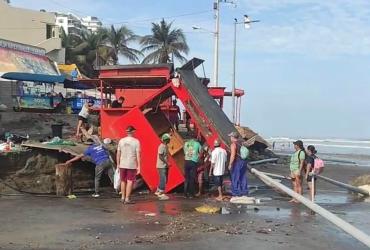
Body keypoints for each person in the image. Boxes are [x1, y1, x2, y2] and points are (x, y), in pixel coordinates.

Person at [117, 125, 141, 204]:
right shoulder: (136, 141)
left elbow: (118, 153)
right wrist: (139, 166)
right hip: (131, 164)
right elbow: (138, 155)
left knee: (123, 180)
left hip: (122, 163)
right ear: (133, 131)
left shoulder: (121, 141)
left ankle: (122, 197)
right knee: (130, 181)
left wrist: (118, 164)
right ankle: (127, 199)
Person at [228, 131, 249, 197]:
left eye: (231, 137)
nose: (230, 138)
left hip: (237, 162)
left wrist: (230, 164)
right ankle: (244, 191)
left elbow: (233, 155)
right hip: (244, 161)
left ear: (233, 137)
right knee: (243, 176)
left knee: (235, 177)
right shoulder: (242, 143)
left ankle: (236, 192)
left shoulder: (233, 144)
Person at [183, 131, 202, 198]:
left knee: (186, 178)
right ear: (194, 137)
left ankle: (185, 194)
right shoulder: (197, 144)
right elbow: (201, 152)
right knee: (192, 178)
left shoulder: (185, 144)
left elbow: (185, 152)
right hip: (193, 162)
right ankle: (191, 194)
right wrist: (198, 159)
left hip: (186, 161)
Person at [155, 133, 171, 199]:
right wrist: (167, 163)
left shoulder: (166, 146)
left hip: (164, 166)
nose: (170, 140)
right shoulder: (161, 146)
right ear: (166, 140)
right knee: (163, 179)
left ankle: (158, 190)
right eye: (169, 139)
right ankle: (161, 194)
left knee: (164, 179)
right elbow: (160, 156)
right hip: (161, 166)